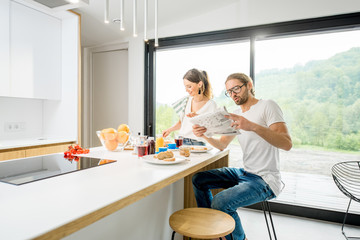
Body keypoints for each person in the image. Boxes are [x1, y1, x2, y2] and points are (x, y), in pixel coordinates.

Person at [191, 73, 292, 240]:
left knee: (220, 202)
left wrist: (252, 126)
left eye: (236, 88)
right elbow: (222, 145)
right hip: (245, 173)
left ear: (249, 85)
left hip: (265, 180)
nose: (233, 94)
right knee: (199, 179)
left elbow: (286, 143)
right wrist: (204, 135)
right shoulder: (235, 113)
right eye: (229, 92)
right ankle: (213, 232)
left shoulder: (268, 106)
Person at [162, 68, 218, 145]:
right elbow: (182, 123)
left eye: (189, 86)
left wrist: (199, 118)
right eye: (185, 87)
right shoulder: (186, 101)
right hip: (181, 141)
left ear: (199, 84)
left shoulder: (211, 105)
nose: (186, 90)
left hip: (199, 144)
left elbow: (213, 128)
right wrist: (169, 130)